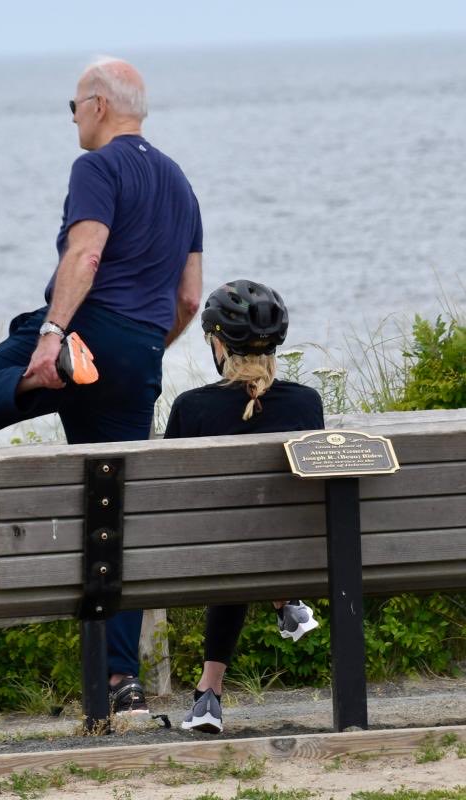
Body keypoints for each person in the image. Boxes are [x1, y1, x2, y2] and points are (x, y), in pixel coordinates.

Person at [0, 57, 203, 715]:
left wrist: (52, 337)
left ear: (98, 105)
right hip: (137, 353)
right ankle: (119, 685)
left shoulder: (96, 168)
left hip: (83, 334)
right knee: (114, 515)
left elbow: (87, 254)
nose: (72, 116)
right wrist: (144, 353)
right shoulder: (180, 182)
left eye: (73, 104)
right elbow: (189, 298)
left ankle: (26, 385)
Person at [163, 280, 324, 734]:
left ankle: (208, 695)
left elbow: (173, 498)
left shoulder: (192, 409)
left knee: (232, 545)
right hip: (297, 551)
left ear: (218, 342)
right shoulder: (306, 403)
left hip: (215, 553)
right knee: (248, 542)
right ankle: (284, 600)